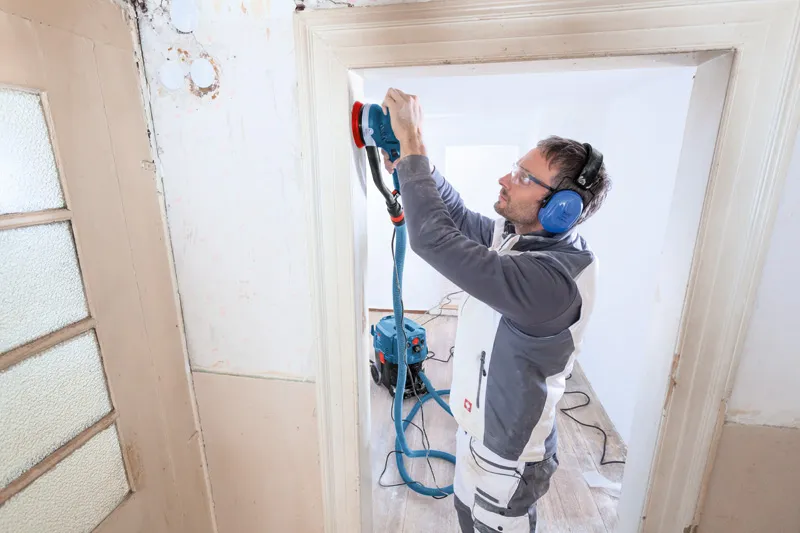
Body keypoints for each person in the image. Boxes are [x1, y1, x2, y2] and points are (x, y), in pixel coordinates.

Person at [381, 87, 612, 533]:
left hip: (507, 457)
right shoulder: (524, 241)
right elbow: (458, 219)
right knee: (467, 519)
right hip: (479, 432)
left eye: (523, 177)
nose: (505, 180)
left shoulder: (553, 281)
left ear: (562, 208)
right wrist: (418, 157)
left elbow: (435, 240)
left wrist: (410, 141)